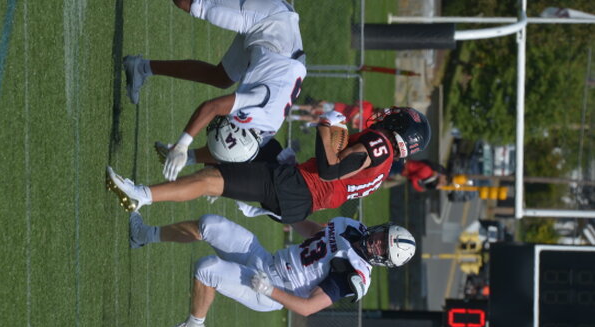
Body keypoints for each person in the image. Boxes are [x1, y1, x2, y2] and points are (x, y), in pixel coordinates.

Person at [112, 0, 307, 180]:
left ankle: (140, 68)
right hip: (271, 21)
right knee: (186, 0)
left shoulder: (260, 133)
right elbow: (211, 107)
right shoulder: (262, 101)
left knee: (221, 78)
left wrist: (190, 157)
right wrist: (183, 144)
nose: (220, 130)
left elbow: (235, 151)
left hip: (273, 48)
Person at [105, 107, 431, 223]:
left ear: (399, 126)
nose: (389, 115)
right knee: (256, 143)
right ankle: (183, 155)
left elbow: (330, 170)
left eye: (396, 116)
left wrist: (324, 125)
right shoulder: (386, 165)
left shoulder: (378, 144)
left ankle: (141, 196)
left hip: (297, 187)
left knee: (211, 179)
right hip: (301, 197)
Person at [125, 211, 416, 327]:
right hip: (265, 258)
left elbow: (307, 308)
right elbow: (315, 233)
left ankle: (193, 326)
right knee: (210, 224)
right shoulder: (352, 227)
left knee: (207, 268)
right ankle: (143, 235)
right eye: (383, 236)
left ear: (384, 260)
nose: (378, 241)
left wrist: (269, 289)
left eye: (383, 247)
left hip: (270, 289)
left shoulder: (354, 274)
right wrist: (278, 211)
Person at [288, 99, 376, 130]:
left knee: (317, 118)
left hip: (338, 117)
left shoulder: (369, 124)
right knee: (317, 108)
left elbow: (353, 126)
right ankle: (295, 107)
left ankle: (294, 117)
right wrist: (358, 109)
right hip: (339, 108)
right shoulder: (369, 107)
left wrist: (356, 116)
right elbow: (357, 102)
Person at [384, 159, 449, 192]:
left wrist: (435, 187)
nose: (441, 183)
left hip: (405, 169)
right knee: (385, 171)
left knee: (386, 171)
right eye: (443, 182)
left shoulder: (432, 175)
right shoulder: (427, 172)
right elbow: (414, 179)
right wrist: (419, 188)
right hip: (404, 169)